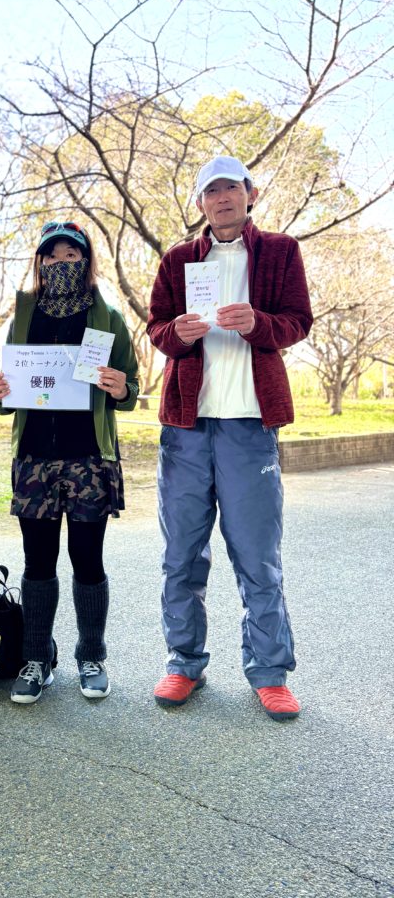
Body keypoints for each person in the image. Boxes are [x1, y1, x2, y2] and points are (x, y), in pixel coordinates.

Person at [147, 155, 314, 721]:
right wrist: (177, 333)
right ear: (200, 203)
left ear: (250, 194)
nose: (222, 199)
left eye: (231, 189)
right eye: (211, 191)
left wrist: (258, 324)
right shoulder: (178, 260)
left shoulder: (280, 252)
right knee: (180, 554)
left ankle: (269, 672)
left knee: (257, 556)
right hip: (186, 428)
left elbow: (298, 321)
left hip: (249, 424)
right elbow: (157, 329)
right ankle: (183, 662)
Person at [0, 222, 140, 704]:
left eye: (71, 255)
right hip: (34, 457)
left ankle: (91, 656)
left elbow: (131, 387)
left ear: (87, 260)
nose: (60, 263)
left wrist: (121, 388)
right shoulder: (23, 314)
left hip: (89, 457)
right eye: (51, 256)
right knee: (38, 562)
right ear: (39, 262)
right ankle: (37, 659)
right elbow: (8, 392)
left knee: (87, 560)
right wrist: (0, 392)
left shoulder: (108, 317)